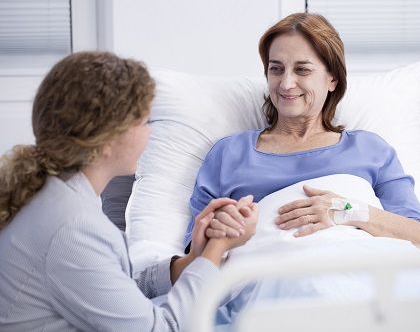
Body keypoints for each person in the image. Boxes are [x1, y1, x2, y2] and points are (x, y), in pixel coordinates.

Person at [0, 52, 258, 332]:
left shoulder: (51, 194)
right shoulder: (74, 228)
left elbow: (106, 285)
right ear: (107, 140)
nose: (150, 133)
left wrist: (187, 263)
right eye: (145, 122)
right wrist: (217, 248)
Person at [184, 12, 420, 254]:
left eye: (302, 70)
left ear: (332, 79)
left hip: (361, 277)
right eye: (276, 69)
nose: (286, 83)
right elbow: (194, 255)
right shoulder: (229, 153)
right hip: (265, 284)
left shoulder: (370, 150)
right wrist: (218, 233)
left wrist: (346, 210)